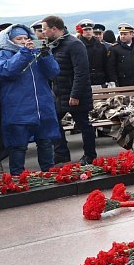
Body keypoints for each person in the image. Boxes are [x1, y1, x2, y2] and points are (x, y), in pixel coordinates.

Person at [0, 25, 60, 173]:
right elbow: (6, 71)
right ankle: (17, 178)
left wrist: (46, 56)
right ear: (9, 40)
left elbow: (53, 72)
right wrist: (24, 53)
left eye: (26, 38)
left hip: (42, 108)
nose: (23, 41)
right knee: (18, 146)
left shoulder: (36, 53)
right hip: (18, 109)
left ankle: (49, 175)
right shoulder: (4, 54)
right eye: (18, 38)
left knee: (45, 142)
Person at [41, 15, 96, 164]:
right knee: (53, 122)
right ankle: (61, 153)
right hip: (59, 94)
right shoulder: (53, 45)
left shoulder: (74, 44)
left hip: (74, 94)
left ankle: (90, 155)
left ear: (54, 29)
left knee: (83, 124)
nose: (43, 32)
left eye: (44, 29)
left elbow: (81, 71)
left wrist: (75, 94)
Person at [79, 21, 109, 86]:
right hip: (83, 79)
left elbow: (106, 64)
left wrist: (108, 79)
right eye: (85, 30)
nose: (88, 32)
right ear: (82, 31)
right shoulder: (77, 46)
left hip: (100, 79)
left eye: (90, 29)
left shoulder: (101, 46)